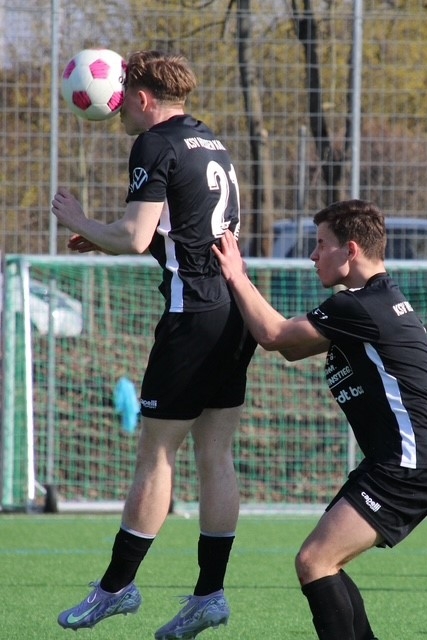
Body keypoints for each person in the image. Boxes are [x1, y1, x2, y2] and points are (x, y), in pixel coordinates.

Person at [52, 50, 256, 640]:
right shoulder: (211, 142)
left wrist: (81, 220)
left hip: (192, 317)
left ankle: (116, 588)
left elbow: (137, 236)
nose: (118, 109)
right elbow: (176, 228)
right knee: (216, 457)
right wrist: (106, 237)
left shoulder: (153, 143)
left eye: (124, 99)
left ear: (143, 99)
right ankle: (209, 595)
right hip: (234, 310)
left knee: (156, 456)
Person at [212, 199, 427, 640]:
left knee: (315, 561)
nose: (313, 254)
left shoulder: (361, 306)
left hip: (407, 465)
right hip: (403, 461)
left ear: (351, 250)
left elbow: (274, 336)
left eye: (322, 244)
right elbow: (291, 349)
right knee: (325, 564)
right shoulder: (377, 301)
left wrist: (235, 274)